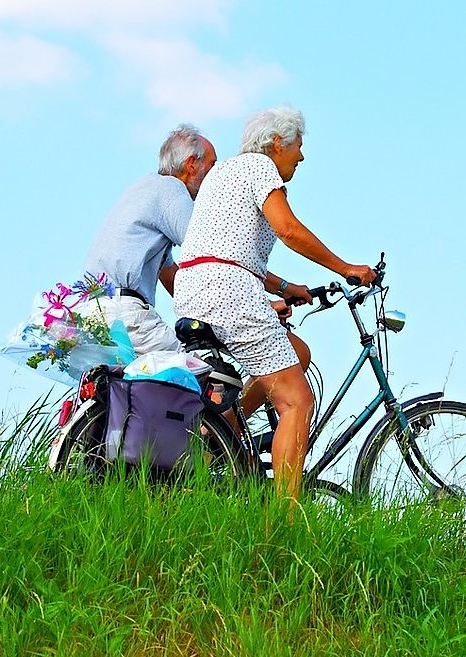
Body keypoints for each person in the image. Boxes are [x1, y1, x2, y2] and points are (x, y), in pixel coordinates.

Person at [174, 107, 376, 500]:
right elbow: (288, 229)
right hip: (229, 292)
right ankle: (285, 519)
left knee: (297, 352)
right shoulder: (260, 167)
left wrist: (285, 288)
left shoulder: (223, 172)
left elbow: (227, 250)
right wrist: (346, 267)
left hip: (196, 289)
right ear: (277, 143)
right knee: (297, 401)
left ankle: (225, 433)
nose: (301, 156)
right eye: (298, 145)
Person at [77, 124, 217, 355]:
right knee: (196, 371)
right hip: (124, 313)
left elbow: (171, 276)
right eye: (212, 165)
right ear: (192, 164)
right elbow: (211, 252)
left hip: (92, 314)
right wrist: (253, 306)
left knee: (130, 379)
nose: (215, 175)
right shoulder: (171, 189)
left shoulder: (145, 188)